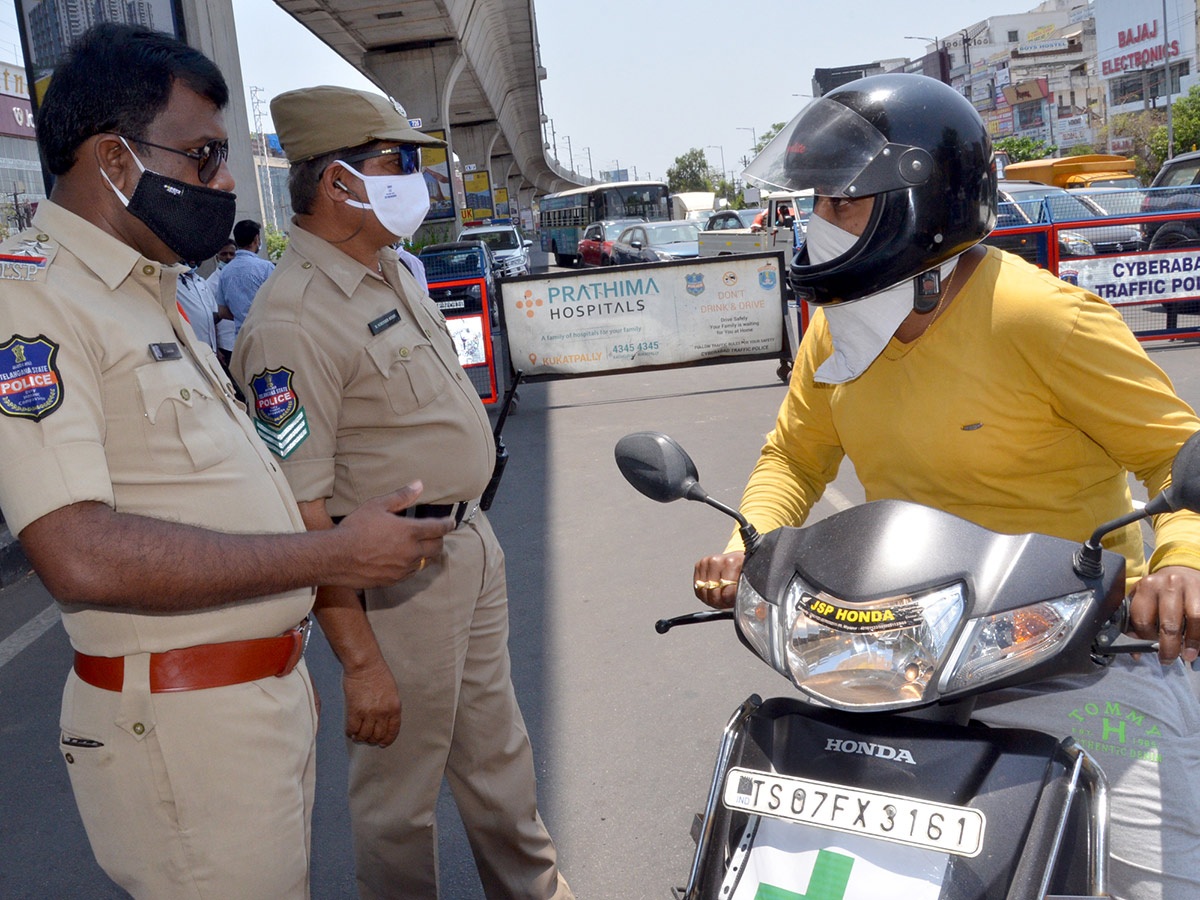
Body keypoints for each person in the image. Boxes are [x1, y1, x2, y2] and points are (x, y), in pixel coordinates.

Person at [694, 74, 1200, 900]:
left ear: (918, 204)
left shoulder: (1043, 319)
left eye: (843, 204)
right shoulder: (840, 336)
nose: (818, 226)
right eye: (814, 203)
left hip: (1087, 662)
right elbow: (792, 460)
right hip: (908, 660)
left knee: (1158, 881)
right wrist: (742, 546)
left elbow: (1178, 452)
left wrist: (1181, 564)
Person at [0, 25, 451, 900]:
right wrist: (329, 556)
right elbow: (77, 553)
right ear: (113, 159)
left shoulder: (147, 291)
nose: (228, 182)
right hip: (180, 727)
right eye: (205, 155)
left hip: (241, 706)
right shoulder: (34, 299)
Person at [231, 85, 573, 900]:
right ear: (338, 185)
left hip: (467, 548)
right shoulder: (291, 320)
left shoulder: (388, 273)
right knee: (398, 804)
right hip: (392, 583)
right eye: (395, 164)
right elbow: (305, 514)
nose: (414, 180)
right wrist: (361, 663)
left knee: (500, 763)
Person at [214, 218, 273, 341]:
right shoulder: (266, 267)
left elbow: (222, 312)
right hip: (265, 336)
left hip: (241, 339)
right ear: (257, 239)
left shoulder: (225, 272)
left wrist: (240, 316)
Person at [176, 264, 219, 351]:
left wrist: (216, 347)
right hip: (190, 349)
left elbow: (213, 314)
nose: (192, 260)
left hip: (210, 348)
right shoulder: (173, 282)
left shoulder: (201, 281)